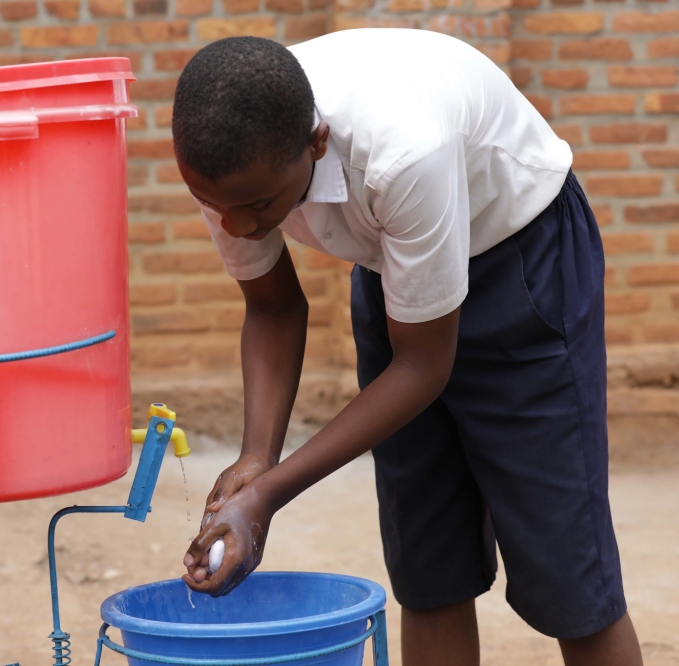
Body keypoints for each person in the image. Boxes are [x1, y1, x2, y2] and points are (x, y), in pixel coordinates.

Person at [171, 30, 643, 666]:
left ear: (316, 142)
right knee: (429, 569)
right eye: (213, 205)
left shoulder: (401, 150)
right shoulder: (228, 164)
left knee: (570, 578)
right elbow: (274, 307)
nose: (239, 227)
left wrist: (269, 496)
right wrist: (256, 460)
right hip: (394, 271)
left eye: (257, 207)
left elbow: (423, 365)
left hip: (523, 274)